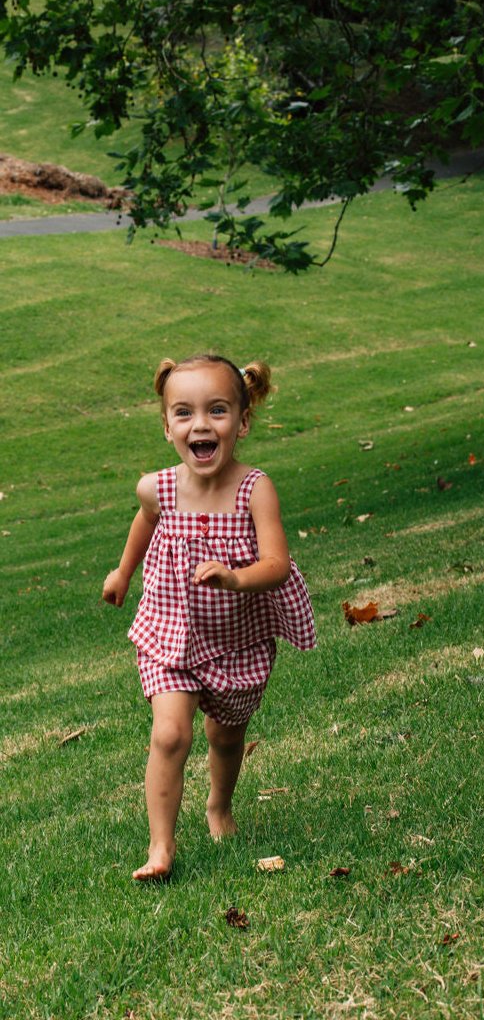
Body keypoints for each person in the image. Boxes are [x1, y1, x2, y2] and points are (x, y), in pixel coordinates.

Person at [103, 354, 316, 880]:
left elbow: (277, 562)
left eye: (217, 411)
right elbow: (144, 524)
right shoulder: (158, 488)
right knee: (171, 734)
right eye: (184, 413)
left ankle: (219, 805)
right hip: (170, 636)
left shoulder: (254, 488)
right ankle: (161, 847)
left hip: (237, 641)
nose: (200, 424)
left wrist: (237, 578)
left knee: (225, 735)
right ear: (168, 426)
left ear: (241, 423)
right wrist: (122, 573)